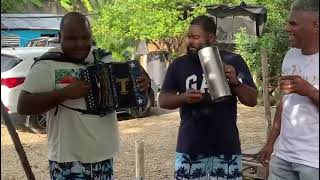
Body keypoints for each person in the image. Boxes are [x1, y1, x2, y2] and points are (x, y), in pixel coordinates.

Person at [17, 12, 150, 179]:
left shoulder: (102, 58)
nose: (80, 44)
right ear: (60, 36)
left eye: (85, 37)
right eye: (72, 38)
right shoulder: (46, 65)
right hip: (69, 160)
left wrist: (144, 83)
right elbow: (23, 106)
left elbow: (130, 86)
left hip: (104, 156)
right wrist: (63, 94)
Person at [158, 15, 258, 179]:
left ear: (211, 38)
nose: (190, 42)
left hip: (226, 150)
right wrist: (183, 98)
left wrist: (236, 84)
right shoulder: (179, 65)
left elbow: (252, 100)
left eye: (195, 37)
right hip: (190, 150)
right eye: (188, 37)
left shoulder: (233, 61)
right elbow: (162, 100)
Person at [259, 0, 319, 179]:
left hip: (314, 162)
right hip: (283, 156)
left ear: (316, 26)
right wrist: (270, 143)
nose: (286, 28)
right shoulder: (290, 55)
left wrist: (309, 91)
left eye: (293, 23)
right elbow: (285, 104)